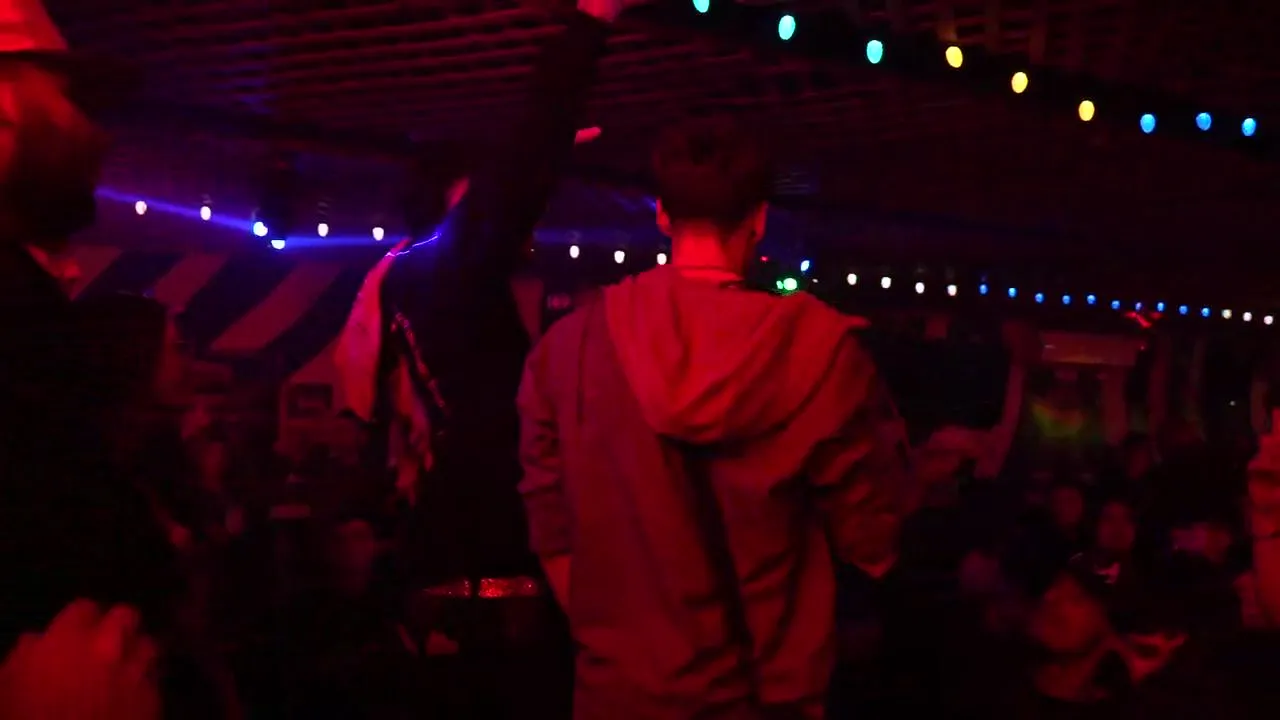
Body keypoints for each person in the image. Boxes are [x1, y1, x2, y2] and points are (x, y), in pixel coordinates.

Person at [517, 117, 907, 717]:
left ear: (662, 216)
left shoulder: (568, 349)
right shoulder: (824, 351)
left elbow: (551, 531)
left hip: (620, 694)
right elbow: (872, 536)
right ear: (760, 220)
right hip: (764, 694)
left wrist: (625, 646)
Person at [332, 0, 628, 715]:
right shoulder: (442, 266)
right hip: (482, 586)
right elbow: (511, 184)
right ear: (456, 200)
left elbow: (365, 422)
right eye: (483, 199)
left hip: (436, 572)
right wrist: (589, 24)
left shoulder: (393, 283)